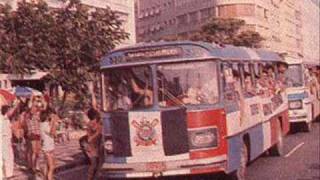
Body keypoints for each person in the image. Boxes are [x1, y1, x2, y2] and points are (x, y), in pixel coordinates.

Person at [23, 96, 44, 173]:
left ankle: (35, 165)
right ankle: (32, 167)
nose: (36, 107)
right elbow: (32, 109)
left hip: (38, 133)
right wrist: (33, 100)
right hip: (32, 133)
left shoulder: (37, 113)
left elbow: (43, 107)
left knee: (37, 151)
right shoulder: (28, 114)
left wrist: (41, 100)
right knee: (33, 151)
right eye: (34, 106)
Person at [40, 108, 58, 180]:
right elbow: (52, 133)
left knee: (47, 165)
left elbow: (54, 134)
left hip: (48, 146)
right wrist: (53, 122)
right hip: (48, 148)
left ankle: (46, 178)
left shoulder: (44, 124)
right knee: (52, 166)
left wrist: (53, 122)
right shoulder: (44, 125)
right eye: (50, 115)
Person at [85, 108, 102, 180]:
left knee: (99, 164)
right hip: (93, 146)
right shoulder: (90, 124)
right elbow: (89, 138)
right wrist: (97, 133)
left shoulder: (98, 122)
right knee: (94, 164)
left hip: (98, 145)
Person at [1, 105, 14, 179]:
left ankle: (9, 174)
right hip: (3, 140)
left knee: (10, 157)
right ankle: (6, 175)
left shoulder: (7, 119)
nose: (11, 112)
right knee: (5, 157)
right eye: (10, 110)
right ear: (6, 111)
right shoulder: (1, 119)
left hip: (8, 140)